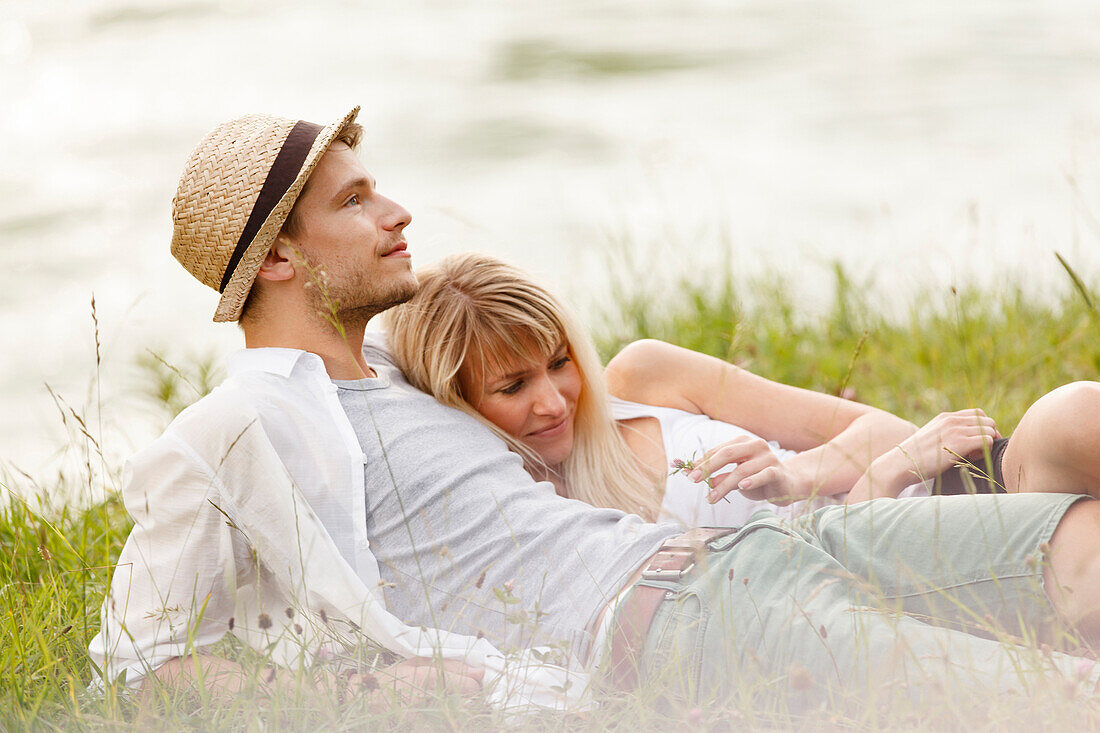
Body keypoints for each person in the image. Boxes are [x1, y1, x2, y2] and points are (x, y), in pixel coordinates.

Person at [91, 106, 1100, 713]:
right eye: (354, 203)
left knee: (1079, 548)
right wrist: (351, 694)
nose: (397, 212)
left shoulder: (398, 369)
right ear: (275, 258)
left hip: (766, 548)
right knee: (1049, 699)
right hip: (672, 625)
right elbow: (133, 667)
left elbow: (541, 360)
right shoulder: (234, 428)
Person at [384, 252, 1100, 523]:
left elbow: (884, 428)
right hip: (916, 565)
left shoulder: (644, 376)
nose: (554, 398)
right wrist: (863, 479)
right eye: (512, 385)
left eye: (560, 362)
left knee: (1075, 417)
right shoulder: (536, 512)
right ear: (457, 403)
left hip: (961, 493)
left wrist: (799, 471)